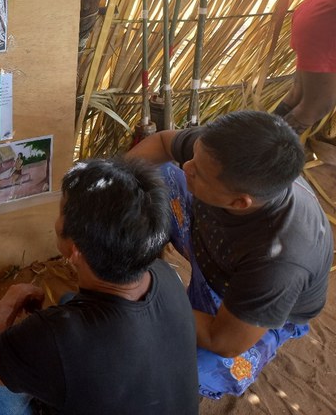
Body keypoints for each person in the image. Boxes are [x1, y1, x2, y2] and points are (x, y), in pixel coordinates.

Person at [0, 157, 199, 415]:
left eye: (61, 212)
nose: (57, 218)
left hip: (74, 352)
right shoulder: (166, 276)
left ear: (74, 250)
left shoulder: (60, 334)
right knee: (67, 300)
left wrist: (13, 298)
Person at [127, 110, 333, 399]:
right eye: (193, 159)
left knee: (180, 366)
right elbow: (162, 143)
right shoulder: (220, 153)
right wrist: (109, 183)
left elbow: (222, 340)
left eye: (198, 172)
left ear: (239, 202)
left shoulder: (279, 259)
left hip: (239, 304)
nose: (186, 166)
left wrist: (143, 297)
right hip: (211, 242)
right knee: (147, 174)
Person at [274, 0, 336, 135]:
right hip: (326, 24)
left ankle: (254, 147)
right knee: (317, 105)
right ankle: (265, 157)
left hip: (319, 11)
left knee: (298, 95)